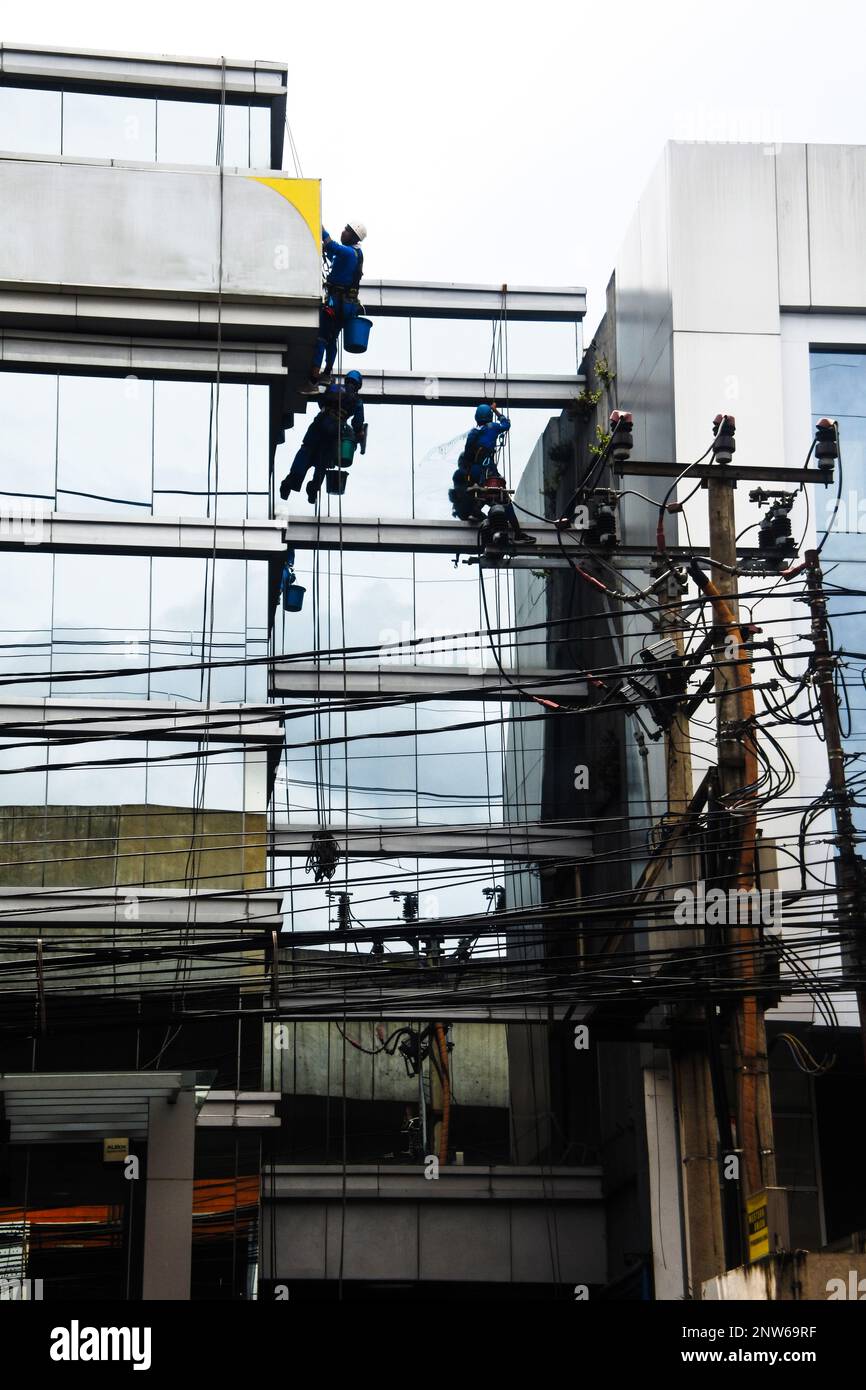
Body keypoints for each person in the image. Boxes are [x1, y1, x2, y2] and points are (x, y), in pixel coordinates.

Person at [448, 403, 536, 543]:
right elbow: (506, 424)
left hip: (474, 471)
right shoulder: (493, 427)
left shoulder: (472, 433)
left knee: (482, 495)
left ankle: (477, 513)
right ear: (489, 416)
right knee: (503, 499)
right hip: (488, 469)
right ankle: (518, 533)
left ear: (476, 418)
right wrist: (496, 410)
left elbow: (467, 456)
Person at [300, 221, 367, 394]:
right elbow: (334, 256)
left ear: (353, 236)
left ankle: (313, 381)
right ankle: (327, 374)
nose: (343, 232)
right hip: (345, 306)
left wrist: (320, 227)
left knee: (322, 338)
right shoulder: (354, 254)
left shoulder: (350, 253)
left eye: (347, 231)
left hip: (336, 303)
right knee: (331, 339)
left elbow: (331, 245)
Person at [279, 370, 366, 504]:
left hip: (319, 424)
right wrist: (359, 433)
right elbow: (357, 423)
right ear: (358, 384)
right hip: (334, 431)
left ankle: (290, 482)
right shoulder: (357, 400)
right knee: (323, 462)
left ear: (346, 380)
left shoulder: (335, 387)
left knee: (306, 452)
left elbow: (321, 398)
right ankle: (313, 490)